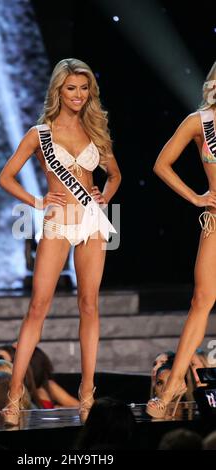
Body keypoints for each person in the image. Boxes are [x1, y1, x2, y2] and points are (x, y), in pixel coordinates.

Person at [0, 58, 121, 425]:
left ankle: (87, 392)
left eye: (84, 88)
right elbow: (6, 177)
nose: (79, 95)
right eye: (72, 89)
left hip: (91, 222)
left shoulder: (96, 130)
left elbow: (114, 175)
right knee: (39, 306)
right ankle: (15, 393)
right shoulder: (41, 133)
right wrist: (37, 202)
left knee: (89, 304)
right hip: (57, 221)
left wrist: (105, 196)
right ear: (58, 91)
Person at [147, 61, 216, 419]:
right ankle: (174, 384)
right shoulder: (199, 121)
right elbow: (161, 164)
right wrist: (196, 197)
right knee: (201, 299)